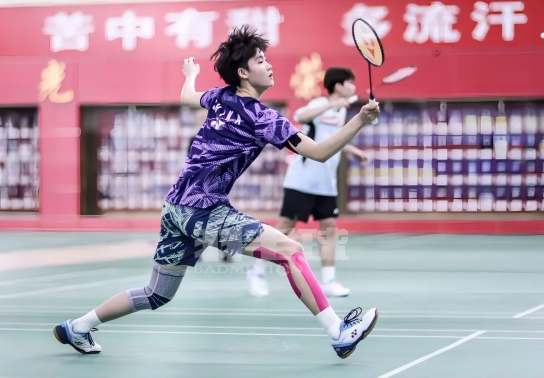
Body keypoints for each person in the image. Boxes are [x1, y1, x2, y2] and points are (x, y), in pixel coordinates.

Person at [53, 25, 380, 359]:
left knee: (157, 294)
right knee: (290, 250)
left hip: (175, 208)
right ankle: (338, 332)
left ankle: (77, 326)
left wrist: (190, 75)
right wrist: (359, 120)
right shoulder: (265, 118)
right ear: (243, 72)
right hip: (204, 210)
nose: (269, 65)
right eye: (260, 60)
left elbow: (187, 97)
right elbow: (320, 152)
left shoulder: (219, 97)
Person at [247, 67, 367, 298]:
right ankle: (257, 272)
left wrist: (352, 150)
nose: (353, 86)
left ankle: (329, 280)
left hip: (326, 183)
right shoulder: (321, 103)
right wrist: (331, 105)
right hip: (301, 180)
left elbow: (329, 139)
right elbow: (301, 117)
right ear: (338, 86)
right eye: (350, 82)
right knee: (284, 228)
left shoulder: (342, 110)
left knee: (329, 228)